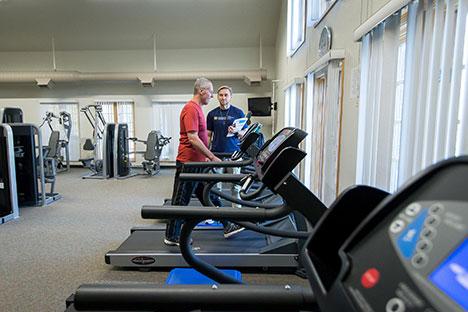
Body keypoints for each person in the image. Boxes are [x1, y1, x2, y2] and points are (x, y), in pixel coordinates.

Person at [164, 78, 240, 246]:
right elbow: (192, 138)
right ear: (202, 91)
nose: (212, 96)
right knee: (180, 200)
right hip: (188, 163)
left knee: (209, 194)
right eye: (211, 92)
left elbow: (201, 138)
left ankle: (228, 224)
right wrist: (212, 156)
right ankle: (172, 235)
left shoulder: (197, 108)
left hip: (198, 162)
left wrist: (205, 156)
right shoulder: (191, 108)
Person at [206, 85, 246, 235]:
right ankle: (215, 214)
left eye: (226, 95)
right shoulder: (212, 114)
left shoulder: (238, 112)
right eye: (221, 95)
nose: (223, 98)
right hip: (216, 154)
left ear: (231, 96)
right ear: (217, 96)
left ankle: (237, 214)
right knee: (215, 186)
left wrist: (237, 131)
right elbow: (208, 135)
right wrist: (207, 153)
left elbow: (244, 134)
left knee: (235, 186)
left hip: (234, 154)